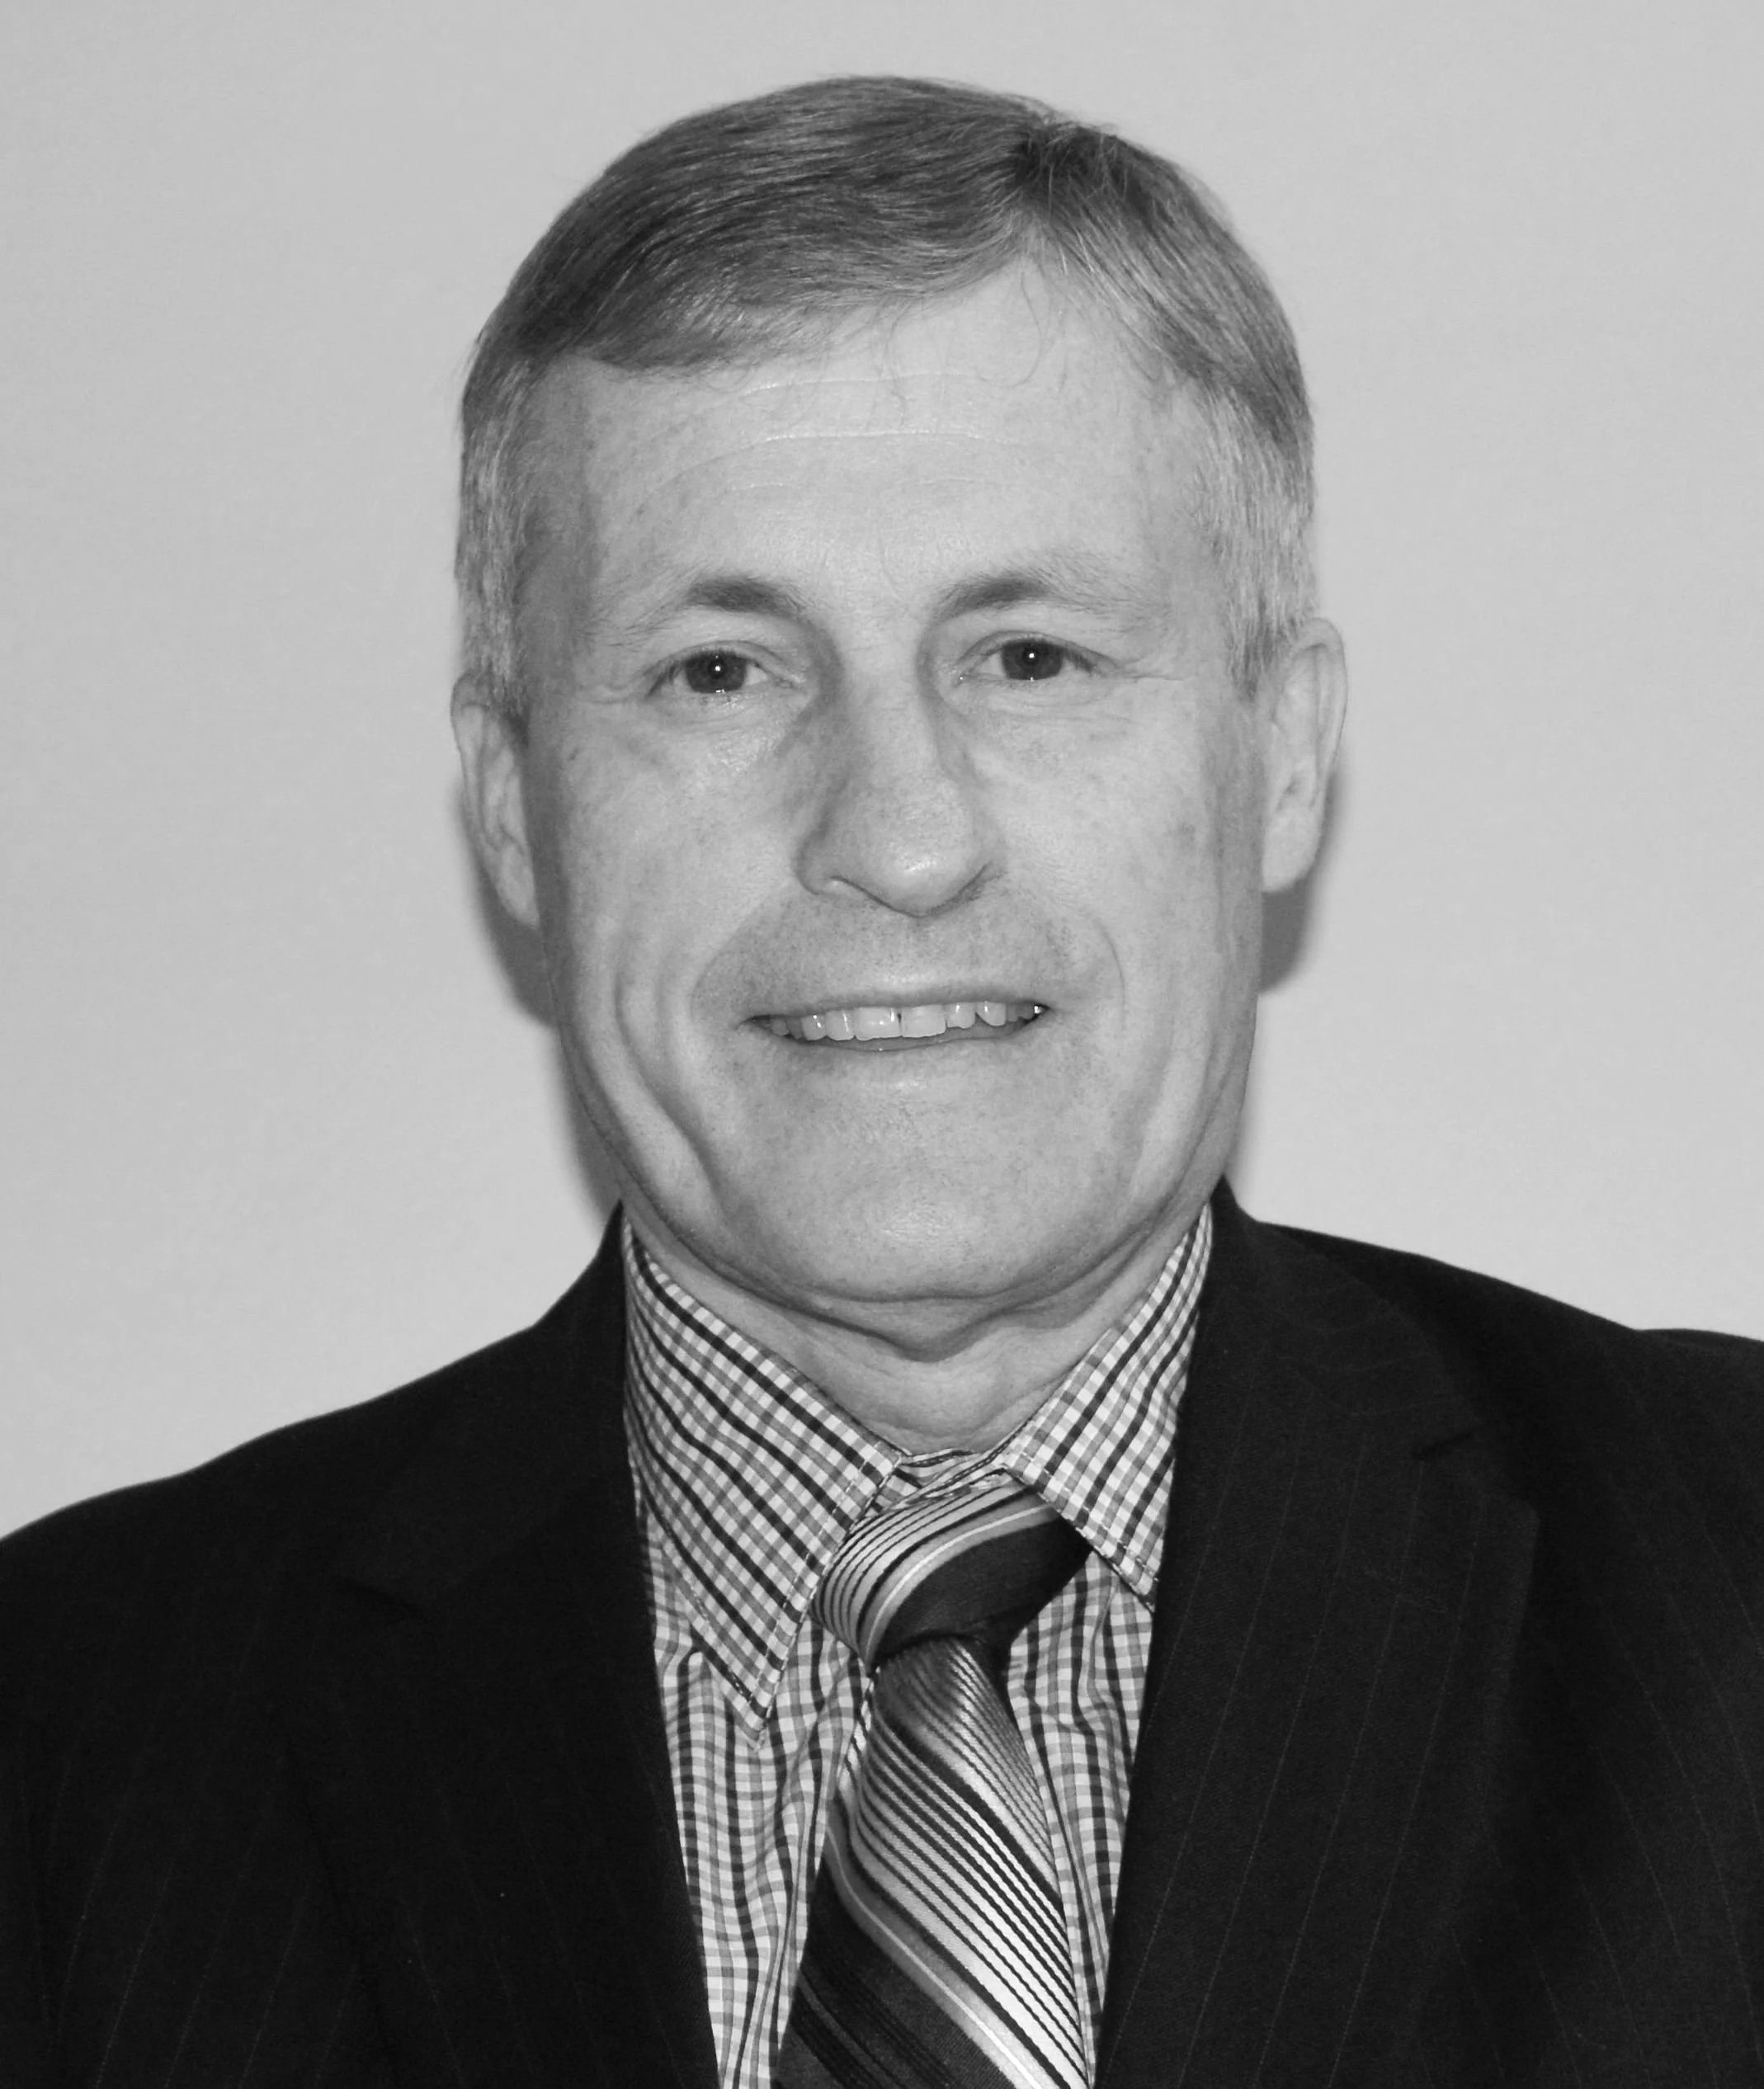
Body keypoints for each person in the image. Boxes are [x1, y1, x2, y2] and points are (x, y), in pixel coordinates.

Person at [2, 73, 1761, 2089]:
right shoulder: (63, 1738)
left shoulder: (1729, 1588)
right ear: (510, 805)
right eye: (719, 673)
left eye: (1028, 657)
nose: (899, 838)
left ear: (1278, 755)